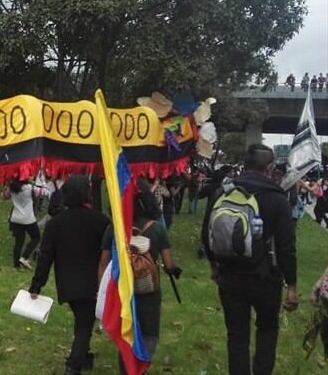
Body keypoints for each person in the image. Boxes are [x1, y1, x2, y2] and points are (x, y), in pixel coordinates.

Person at [201, 144, 298, 375]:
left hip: (230, 276)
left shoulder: (222, 193)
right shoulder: (277, 199)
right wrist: (292, 285)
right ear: (270, 168)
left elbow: (207, 233)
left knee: (237, 337)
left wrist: (214, 266)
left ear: (245, 165)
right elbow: (286, 246)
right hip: (266, 278)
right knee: (266, 332)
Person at [29, 175, 110, 374]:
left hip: (67, 283)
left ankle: (84, 356)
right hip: (94, 282)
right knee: (84, 324)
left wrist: (37, 284)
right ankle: (73, 367)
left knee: (83, 320)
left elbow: (45, 256)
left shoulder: (55, 224)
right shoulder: (101, 221)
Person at [99, 178, 180, 374]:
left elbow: (103, 263)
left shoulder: (114, 229)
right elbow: (169, 264)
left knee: (126, 334)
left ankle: (126, 368)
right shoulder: (158, 228)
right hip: (149, 291)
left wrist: (102, 293)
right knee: (148, 334)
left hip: (122, 291)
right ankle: (140, 368)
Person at [2, 177, 48, 270]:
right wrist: (43, 183)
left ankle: (16, 265)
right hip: (28, 219)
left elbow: (4, 197)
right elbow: (45, 192)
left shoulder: (12, 188)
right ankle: (24, 257)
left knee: (19, 242)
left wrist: (6, 188)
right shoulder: (30, 188)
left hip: (15, 218)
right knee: (36, 237)